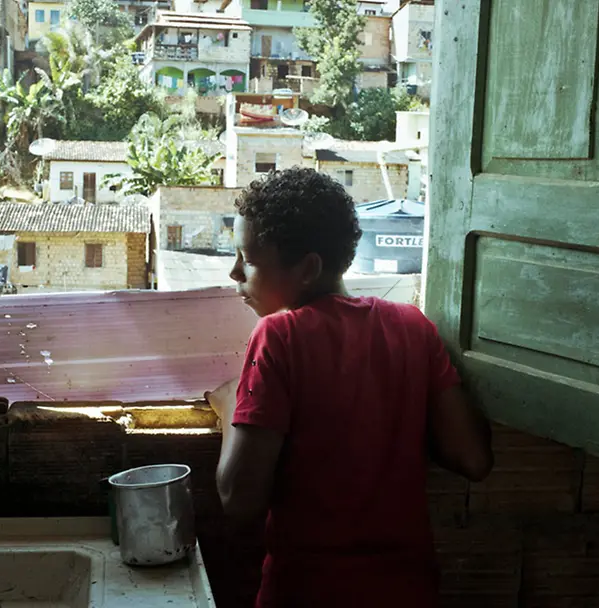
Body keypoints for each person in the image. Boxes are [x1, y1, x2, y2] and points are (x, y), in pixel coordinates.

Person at [205, 168, 493, 608]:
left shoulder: (279, 336)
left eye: (249, 259)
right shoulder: (412, 328)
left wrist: (230, 408)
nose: (233, 273)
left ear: (308, 269)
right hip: (408, 592)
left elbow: (238, 500)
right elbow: (472, 458)